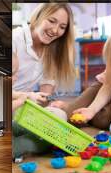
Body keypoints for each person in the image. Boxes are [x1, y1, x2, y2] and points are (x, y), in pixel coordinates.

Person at [11, 3, 76, 162]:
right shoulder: (14, 39)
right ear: (39, 16)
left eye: (62, 27)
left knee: (59, 116)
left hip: (25, 108)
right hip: (8, 105)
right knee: (53, 130)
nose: (55, 30)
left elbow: (44, 97)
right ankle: (20, 144)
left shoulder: (52, 51)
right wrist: (28, 96)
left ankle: (17, 144)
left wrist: (49, 103)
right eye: (52, 21)